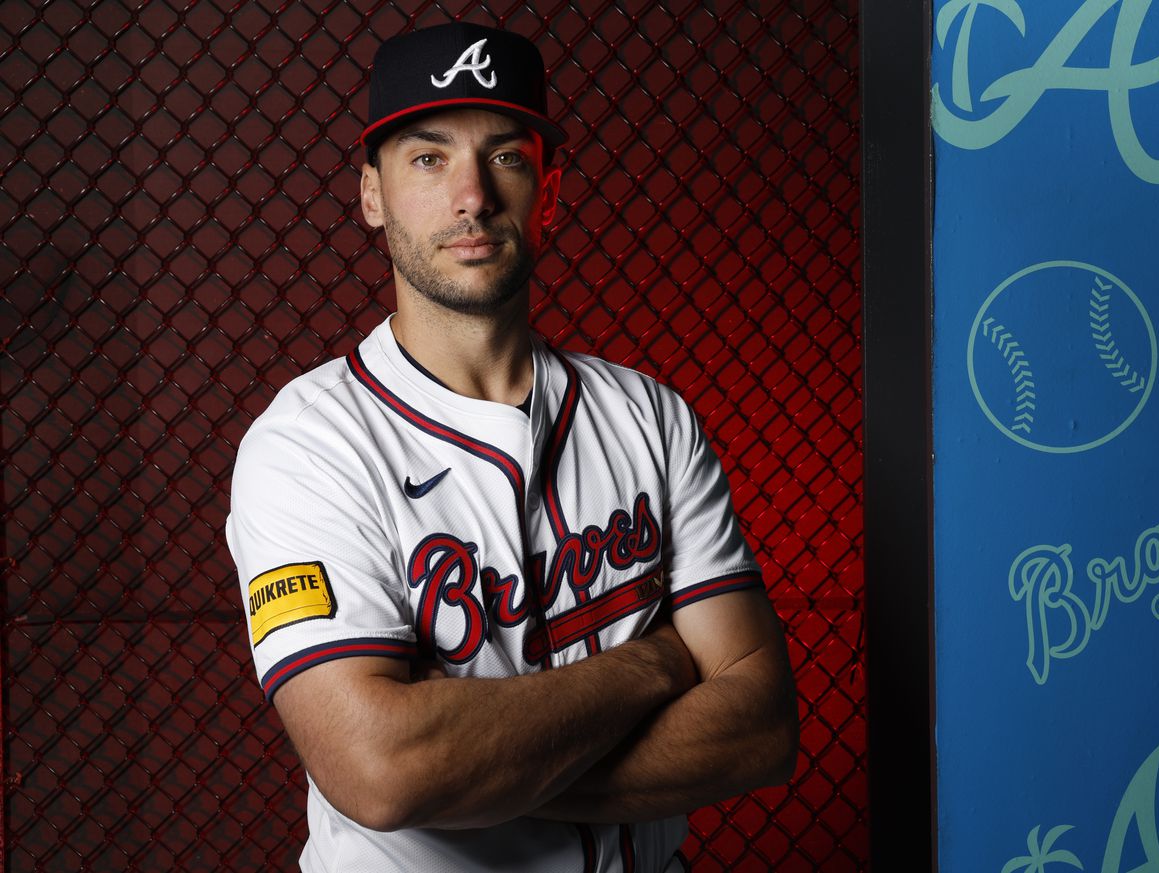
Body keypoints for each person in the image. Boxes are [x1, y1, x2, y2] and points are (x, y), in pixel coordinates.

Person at [226, 21, 798, 873]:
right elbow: (381, 770)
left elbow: (762, 726)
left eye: (505, 157)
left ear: (550, 190)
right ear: (371, 194)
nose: (471, 197)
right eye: (428, 159)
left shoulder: (649, 416)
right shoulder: (308, 446)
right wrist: (660, 661)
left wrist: (482, 769)